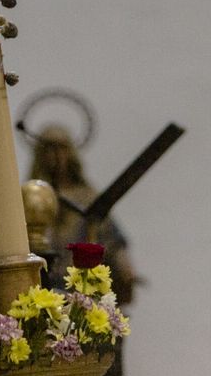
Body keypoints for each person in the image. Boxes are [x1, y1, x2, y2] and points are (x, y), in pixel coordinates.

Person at [28, 124, 139, 303]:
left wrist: (126, 269)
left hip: (80, 286)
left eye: (61, 148)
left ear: (70, 153)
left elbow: (111, 237)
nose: (56, 156)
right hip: (41, 287)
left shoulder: (87, 196)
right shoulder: (32, 195)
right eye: (49, 149)